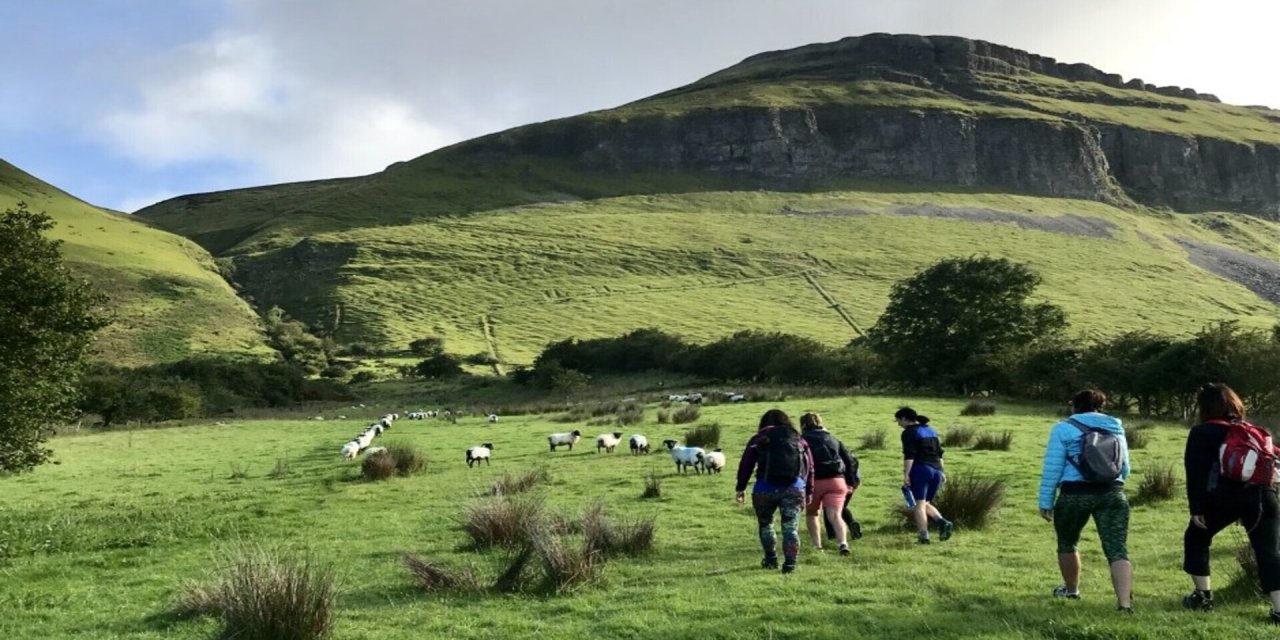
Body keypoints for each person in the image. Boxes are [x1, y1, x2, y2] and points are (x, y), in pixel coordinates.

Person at [1182, 383, 1280, 624]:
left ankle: (1203, 597)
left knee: (1196, 537)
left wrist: (1197, 509)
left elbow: (1196, 474)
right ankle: (1279, 610)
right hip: (1264, 496)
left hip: (1224, 498)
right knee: (1268, 552)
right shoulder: (1255, 430)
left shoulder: (1202, 432)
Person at [1037, 389, 1132, 612]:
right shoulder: (1116, 427)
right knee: (1118, 549)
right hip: (1112, 492)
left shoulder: (1063, 428)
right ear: (1101, 406)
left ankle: (1071, 591)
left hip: (1074, 494)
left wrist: (1046, 501)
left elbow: (1053, 468)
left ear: (1074, 406)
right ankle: (1125, 604)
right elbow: (1125, 468)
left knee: (1067, 543)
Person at [735, 409, 814, 574]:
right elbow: (810, 467)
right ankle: (790, 564)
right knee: (790, 528)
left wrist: (740, 487)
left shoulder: (758, 439)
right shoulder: (798, 439)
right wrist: (808, 491)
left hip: (765, 488)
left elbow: (746, 465)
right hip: (794, 488)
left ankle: (771, 559)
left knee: (766, 525)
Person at [799, 412, 860, 555]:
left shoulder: (801, 440)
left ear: (802, 425)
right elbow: (849, 461)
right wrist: (851, 482)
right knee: (835, 515)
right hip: (836, 481)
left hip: (813, 482)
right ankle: (843, 543)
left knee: (813, 514)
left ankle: (817, 546)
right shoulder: (832, 439)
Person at [897, 407, 954, 543]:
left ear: (905, 419)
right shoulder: (931, 431)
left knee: (919, 505)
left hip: (921, 469)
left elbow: (909, 456)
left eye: (898, 420)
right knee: (924, 502)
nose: (898, 423)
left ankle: (924, 537)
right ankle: (942, 523)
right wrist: (942, 472)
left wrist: (907, 474)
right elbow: (939, 454)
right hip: (936, 471)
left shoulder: (908, 433)